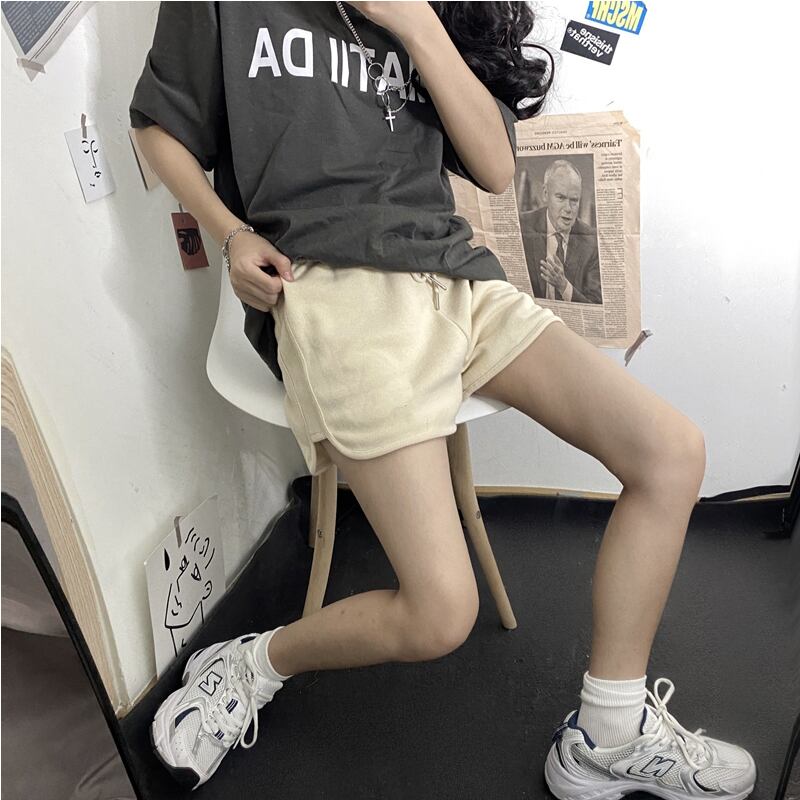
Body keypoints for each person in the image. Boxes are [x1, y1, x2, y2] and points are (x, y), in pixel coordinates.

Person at [130, 2, 756, 797]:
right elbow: (157, 127)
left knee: (671, 454)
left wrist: (416, 23)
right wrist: (229, 233)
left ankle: (608, 733)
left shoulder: (432, 10)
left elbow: (494, 167)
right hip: (335, 289)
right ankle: (253, 662)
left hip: (458, 279)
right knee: (440, 615)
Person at [520, 159, 602, 303]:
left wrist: (564, 286)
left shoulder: (592, 241)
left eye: (574, 200)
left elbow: (595, 303)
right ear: (545, 194)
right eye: (561, 198)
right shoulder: (521, 225)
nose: (568, 208)